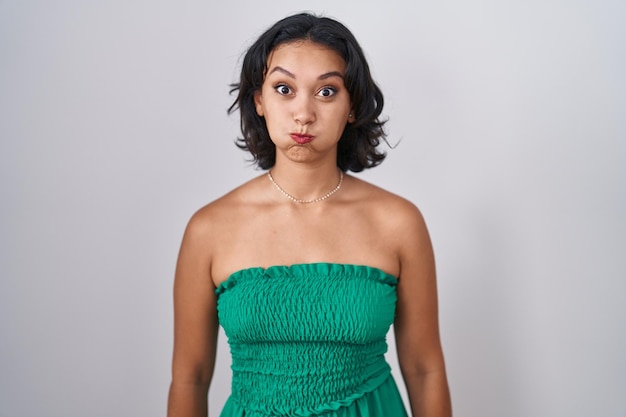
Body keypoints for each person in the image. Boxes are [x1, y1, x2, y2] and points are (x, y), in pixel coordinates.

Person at [167, 12, 452, 417]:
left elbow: (425, 370)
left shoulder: (399, 222)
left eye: (327, 92)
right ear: (259, 101)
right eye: (284, 88)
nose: (303, 113)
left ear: (352, 106)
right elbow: (189, 378)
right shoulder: (209, 229)